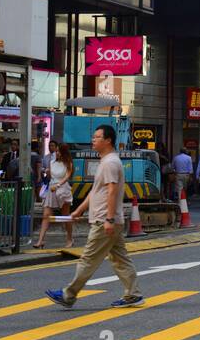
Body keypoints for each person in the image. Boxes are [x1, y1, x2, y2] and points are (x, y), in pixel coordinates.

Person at [45, 125, 142, 310]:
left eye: (97, 137)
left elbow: (112, 192)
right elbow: (96, 191)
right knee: (120, 259)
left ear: (108, 141)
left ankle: (68, 294)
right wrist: (79, 210)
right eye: (93, 137)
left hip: (104, 219)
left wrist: (109, 219)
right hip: (109, 219)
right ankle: (133, 294)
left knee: (88, 258)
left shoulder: (110, 163)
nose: (93, 140)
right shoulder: (106, 161)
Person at [33, 141, 73, 248]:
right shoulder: (52, 162)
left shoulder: (68, 163)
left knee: (65, 216)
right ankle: (40, 241)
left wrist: (58, 185)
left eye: (59, 151)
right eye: (57, 151)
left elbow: (67, 177)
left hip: (63, 191)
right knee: (46, 216)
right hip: (52, 189)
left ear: (64, 152)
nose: (57, 153)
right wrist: (46, 173)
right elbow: (50, 176)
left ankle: (69, 238)